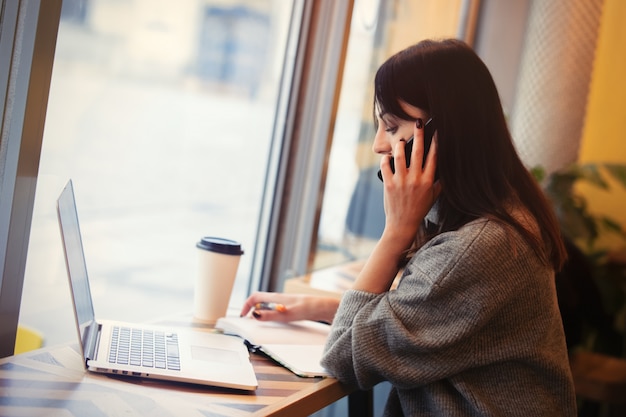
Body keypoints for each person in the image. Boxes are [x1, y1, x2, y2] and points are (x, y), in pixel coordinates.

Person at [242, 38, 577, 416]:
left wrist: (395, 232)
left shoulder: (479, 248)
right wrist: (323, 307)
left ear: (440, 132)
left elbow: (342, 356)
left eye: (391, 126)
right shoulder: (492, 218)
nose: (378, 145)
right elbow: (421, 310)